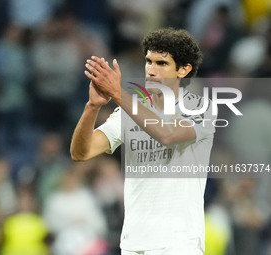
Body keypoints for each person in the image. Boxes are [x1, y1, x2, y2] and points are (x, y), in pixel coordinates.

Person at [71, 28, 217, 255]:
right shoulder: (128, 112)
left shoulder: (201, 108)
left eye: (161, 63)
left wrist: (117, 92)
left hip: (179, 243)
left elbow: (167, 134)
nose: (151, 70)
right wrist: (93, 107)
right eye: (148, 61)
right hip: (133, 243)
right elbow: (81, 152)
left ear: (183, 70)